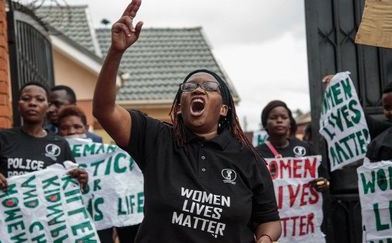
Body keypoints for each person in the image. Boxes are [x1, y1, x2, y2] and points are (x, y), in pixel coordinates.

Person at [92, 1, 281, 242]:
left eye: (210, 87)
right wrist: (115, 52)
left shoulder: (248, 159)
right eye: (189, 87)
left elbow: (269, 220)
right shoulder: (156, 138)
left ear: (224, 109)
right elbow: (104, 110)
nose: (198, 89)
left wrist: (265, 239)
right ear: (180, 108)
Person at [0, 82, 88, 242]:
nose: (32, 103)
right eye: (26, 98)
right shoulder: (1, 139)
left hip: (47, 233)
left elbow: (72, 195)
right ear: (18, 105)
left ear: (48, 107)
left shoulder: (59, 144)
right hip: (7, 233)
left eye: (40, 99)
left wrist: (81, 180)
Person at [58, 105, 141, 243]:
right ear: (59, 132)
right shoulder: (55, 156)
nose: (71, 131)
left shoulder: (104, 153)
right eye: (65, 128)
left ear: (86, 128)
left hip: (101, 222)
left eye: (77, 127)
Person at [255, 100, 329, 191]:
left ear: (290, 123)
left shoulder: (306, 149)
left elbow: (323, 177)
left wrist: (324, 183)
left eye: (284, 117)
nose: (279, 120)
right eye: (273, 117)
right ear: (265, 124)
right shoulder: (256, 154)